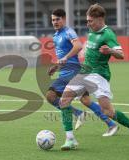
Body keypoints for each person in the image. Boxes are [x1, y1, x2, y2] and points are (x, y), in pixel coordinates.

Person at [59, 3, 129, 148]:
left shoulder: (108, 34)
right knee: (64, 100)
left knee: (108, 111)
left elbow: (121, 54)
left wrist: (110, 51)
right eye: (87, 20)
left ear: (100, 19)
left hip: (99, 75)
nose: (88, 23)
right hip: (84, 72)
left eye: (90, 21)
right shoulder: (91, 32)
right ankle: (70, 139)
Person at [47, 8, 118, 151]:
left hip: (73, 72)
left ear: (64, 19)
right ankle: (111, 124)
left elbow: (78, 46)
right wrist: (56, 66)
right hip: (67, 72)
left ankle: (76, 120)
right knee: (85, 100)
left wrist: (65, 58)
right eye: (53, 19)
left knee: (51, 95)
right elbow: (63, 56)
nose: (55, 22)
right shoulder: (56, 35)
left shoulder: (68, 32)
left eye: (57, 19)